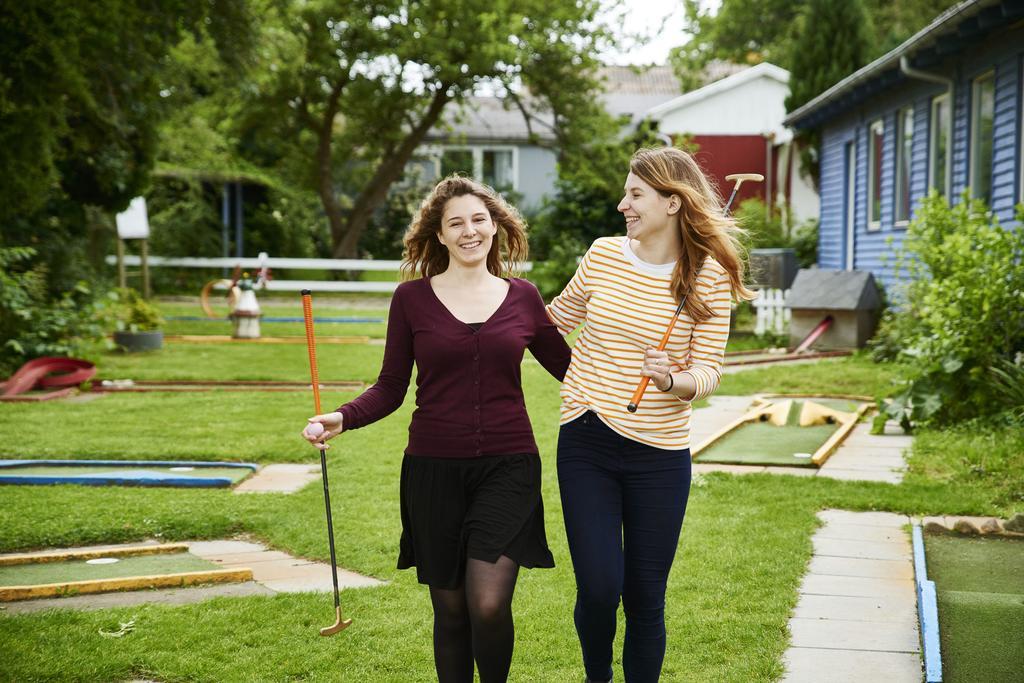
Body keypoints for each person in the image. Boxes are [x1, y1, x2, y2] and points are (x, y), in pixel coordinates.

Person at [302, 176, 571, 683]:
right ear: (440, 235)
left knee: (487, 605)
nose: (470, 231)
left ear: (495, 227)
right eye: (456, 223)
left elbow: (572, 371)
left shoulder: (524, 297)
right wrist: (340, 417)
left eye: (478, 220)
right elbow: (390, 387)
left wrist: (648, 371)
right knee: (450, 613)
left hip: (509, 467)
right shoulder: (411, 300)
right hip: (432, 472)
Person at [545, 147, 756, 683]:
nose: (623, 205)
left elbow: (707, 371)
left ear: (672, 202)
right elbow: (550, 322)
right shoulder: (602, 256)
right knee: (597, 588)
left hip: (659, 456)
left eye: (635, 194)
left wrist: (670, 378)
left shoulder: (707, 276)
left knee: (645, 598)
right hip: (587, 440)